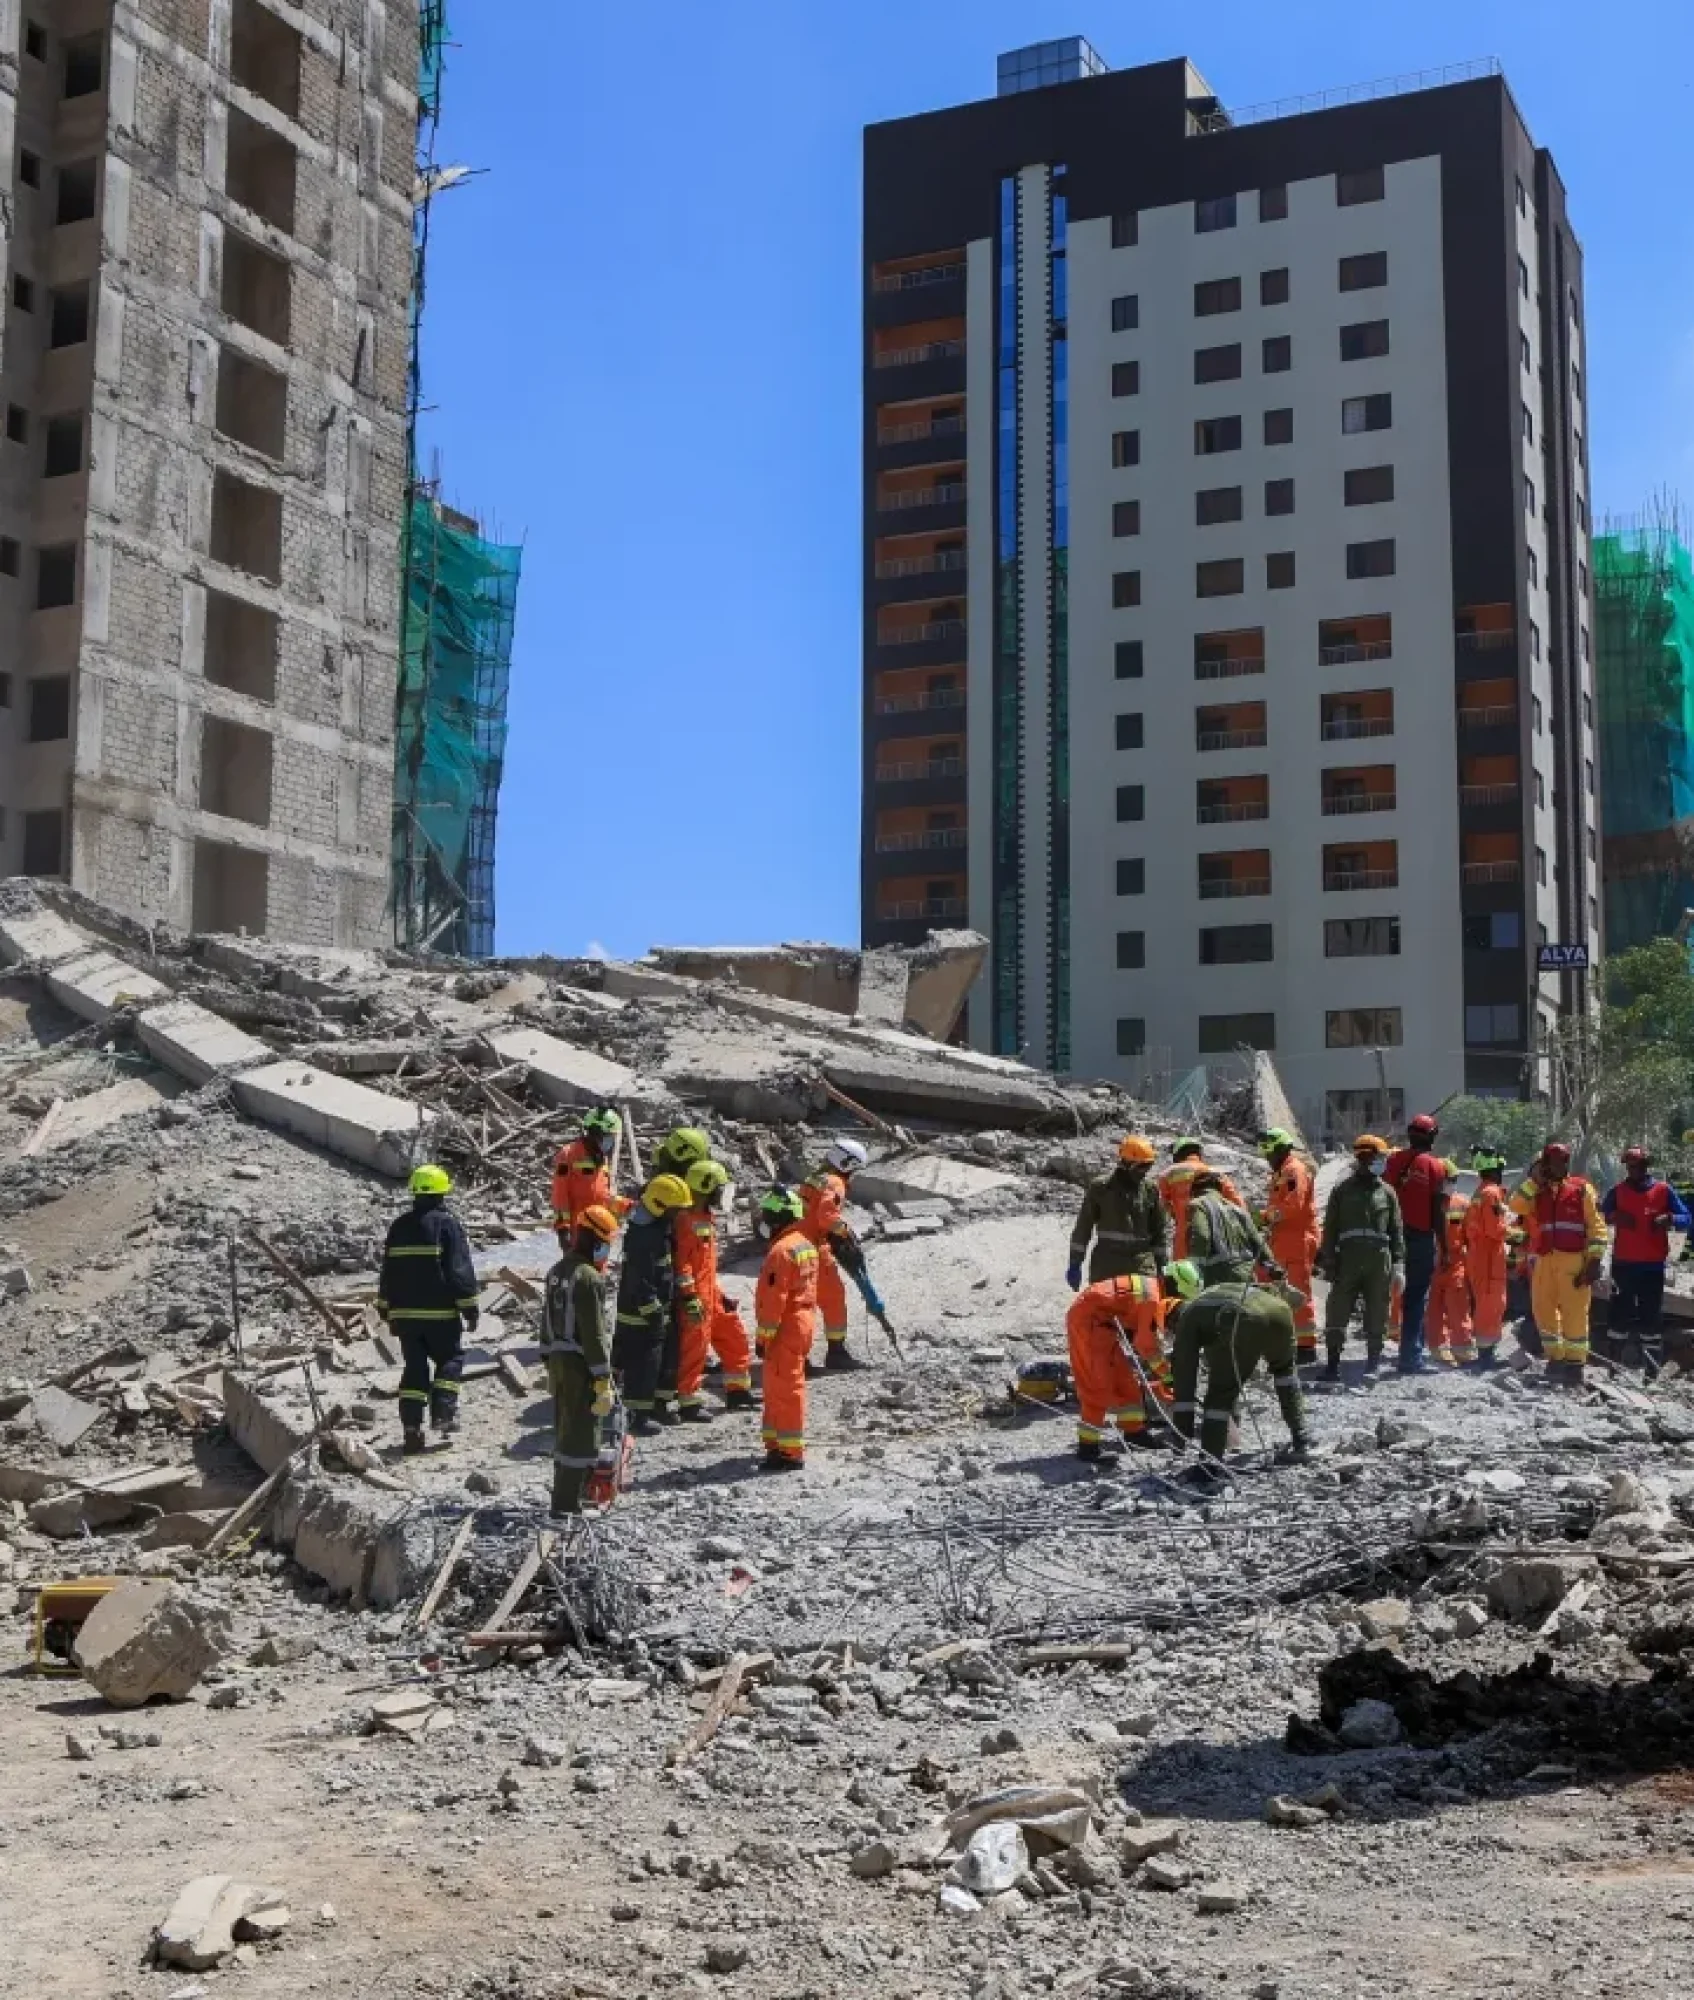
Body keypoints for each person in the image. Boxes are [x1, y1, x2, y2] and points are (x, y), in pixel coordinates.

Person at [1165, 1259, 1310, 1489]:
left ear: (1173, 1320)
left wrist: (1180, 1436)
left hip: (1243, 1317)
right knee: (1285, 1374)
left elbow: (1185, 1378)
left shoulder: (1188, 1319)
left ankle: (1210, 1465)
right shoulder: (1211, 1297)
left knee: (1218, 1396)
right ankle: (1302, 1439)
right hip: (1280, 1312)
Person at [377, 1164, 480, 1455]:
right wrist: (470, 1307)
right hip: (440, 1315)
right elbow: (458, 1270)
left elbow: (388, 1273)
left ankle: (411, 1427)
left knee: (414, 1369)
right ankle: (443, 1415)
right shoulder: (447, 1225)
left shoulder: (398, 1227)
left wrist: (386, 1308)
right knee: (450, 1359)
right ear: (441, 1194)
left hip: (405, 1317)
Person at [539, 1203, 619, 1516]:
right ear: (594, 1240)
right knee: (582, 1434)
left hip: (559, 1360)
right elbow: (594, 1333)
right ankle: (566, 1507)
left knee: (565, 1429)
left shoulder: (556, 1272)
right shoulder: (588, 1278)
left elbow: (544, 1322)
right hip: (580, 1365)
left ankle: (571, 1497)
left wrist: (548, 1359)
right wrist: (602, 1376)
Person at [1510, 1141, 1608, 1387]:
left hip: (1573, 1260)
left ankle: (1575, 1366)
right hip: (1545, 1259)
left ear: (1566, 1162)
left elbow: (1597, 1227)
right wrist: (1535, 1181)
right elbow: (1516, 1205)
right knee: (1543, 1309)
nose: (1557, 1165)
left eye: (1561, 1160)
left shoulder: (1581, 1189)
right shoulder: (1538, 1191)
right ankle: (1556, 1359)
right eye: (1551, 1161)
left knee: (1575, 1313)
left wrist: (1594, 1261)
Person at [1316, 1135, 1406, 1381]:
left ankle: (1373, 1363)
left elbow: (1396, 1230)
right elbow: (1330, 1229)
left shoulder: (1387, 1192)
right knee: (1338, 1309)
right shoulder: (1342, 1191)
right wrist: (1329, 1262)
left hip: (1379, 1260)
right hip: (1347, 1260)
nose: (1382, 1163)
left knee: (1378, 1308)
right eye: (1379, 1158)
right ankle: (1333, 1364)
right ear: (1365, 1158)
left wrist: (1399, 1265)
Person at [613, 1173, 692, 1435]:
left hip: (659, 1309)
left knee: (663, 1358)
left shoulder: (658, 1228)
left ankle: (657, 1405)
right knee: (643, 1364)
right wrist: (652, 1309)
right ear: (660, 1205)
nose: (678, 1214)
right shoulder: (642, 1236)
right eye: (675, 1209)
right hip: (640, 1314)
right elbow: (639, 1280)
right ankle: (637, 1415)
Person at [675, 1158, 755, 1415]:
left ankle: (738, 1392)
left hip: (710, 1290)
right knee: (695, 1348)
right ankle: (688, 1401)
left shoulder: (704, 1217)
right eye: (718, 1188)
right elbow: (682, 1264)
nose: (722, 1194)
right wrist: (689, 1297)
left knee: (734, 1335)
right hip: (696, 1295)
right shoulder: (685, 1220)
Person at [1601, 1145, 1691, 1370]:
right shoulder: (1618, 1191)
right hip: (1623, 1265)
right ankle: (1614, 1366)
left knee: (1650, 1317)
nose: (1632, 1171)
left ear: (1645, 1166)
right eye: (1629, 1167)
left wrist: (1670, 1219)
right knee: (1619, 1315)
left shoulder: (1663, 1190)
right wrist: (1613, 1216)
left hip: (1652, 1267)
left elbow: (1687, 1217)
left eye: (1637, 1166)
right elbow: (1600, 1215)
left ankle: (1650, 1370)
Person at [1064, 1270, 1167, 1461]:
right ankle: (1088, 1448)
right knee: (1097, 1385)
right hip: (1089, 1323)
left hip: (1102, 1325)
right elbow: (1144, 1344)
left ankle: (1134, 1433)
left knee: (1125, 1382)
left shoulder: (1152, 1289)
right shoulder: (1151, 1298)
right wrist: (1166, 1374)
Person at [799, 1138, 883, 1371]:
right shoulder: (835, 1182)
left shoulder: (815, 1177)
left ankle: (798, 1356)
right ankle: (836, 1353)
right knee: (832, 1298)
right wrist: (844, 1232)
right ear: (847, 1164)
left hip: (798, 1244)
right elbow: (827, 1217)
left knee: (802, 1303)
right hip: (813, 1249)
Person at [755, 1186, 820, 1472]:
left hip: (784, 1327)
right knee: (777, 1385)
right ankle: (776, 1445)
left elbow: (773, 1300)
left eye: (769, 1215)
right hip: (802, 1322)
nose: (765, 1220)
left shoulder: (781, 1251)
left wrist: (763, 1336)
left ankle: (790, 1452)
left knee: (785, 1388)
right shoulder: (804, 1244)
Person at [1385, 1113, 1448, 1375]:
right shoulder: (1435, 1167)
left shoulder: (1394, 1160)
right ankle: (1411, 1358)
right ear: (1432, 1137)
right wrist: (1444, 1245)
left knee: (1386, 1294)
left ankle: (1375, 1356)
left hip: (1390, 1236)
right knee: (1416, 1296)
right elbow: (1438, 1211)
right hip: (1420, 1238)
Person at [1069, 1136, 1168, 1289]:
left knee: (1143, 1312)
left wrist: (1163, 1266)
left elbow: (1159, 1232)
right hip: (1106, 1266)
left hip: (1141, 1267)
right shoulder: (1100, 1188)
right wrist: (1075, 1263)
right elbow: (1083, 1227)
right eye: (1142, 1166)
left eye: (1149, 1166)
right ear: (1127, 1164)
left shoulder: (1150, 1190)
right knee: (1101, 1311)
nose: (1145, 1172)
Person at [1259, 1129, 1320, 1363]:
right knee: (1282, 1291)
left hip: (1297, 1239)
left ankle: (1306, 1347)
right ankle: (1288, 1340)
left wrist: (1265, 1216)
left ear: (1282, 1149)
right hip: (1283, 1240)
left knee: (1298, 1291)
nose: (1267, 1157)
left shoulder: (1294, 1170)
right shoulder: (1282, 1172)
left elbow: (1293, 1205)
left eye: (1270, 1152)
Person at [1187, 1166, 1277, 1289]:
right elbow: (1258, 1242)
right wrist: (1272, 1266)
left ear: (1194, 1188)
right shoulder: (1238, 1209)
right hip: (1245, 1277)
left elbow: (1202, 1236)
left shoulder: (1198, 1204)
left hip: (1218, 1279)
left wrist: (1194, 1269)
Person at [1463, 1151, 1514, 1369]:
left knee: (1485, 1304)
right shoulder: (1491, 1193)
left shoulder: (1479, 1192)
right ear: (1495, 1169)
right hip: (1489, 1261)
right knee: (1491, 1305)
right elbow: (1495, 1229)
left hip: (1479, 1258)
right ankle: (1486, 1356)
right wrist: (1517, 1233)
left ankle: (1485, 1351)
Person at [549, 1107, 629, 1241]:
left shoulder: (601, 1158)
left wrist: (628, 1206)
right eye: (609, 1136)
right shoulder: (567, 1156)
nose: (612, 1141)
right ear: (596, 1133)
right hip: (578, 1234)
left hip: (600, 1231)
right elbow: (559, 1195)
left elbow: (603, 1196)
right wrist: (563, 1229)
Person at [1158, 1139, 1246, 1261]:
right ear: (1198, 1154)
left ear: (1178, 1153)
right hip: (1215, 1235)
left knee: (1183, 1274)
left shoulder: (1167, 1175)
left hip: (1184, 1236)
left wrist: (1175, 1214)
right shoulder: (1215, 1173)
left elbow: (1161, 1204)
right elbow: (1237, 1204)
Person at [1426, 1167, 1476, 1366]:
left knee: (1458, 1306)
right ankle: (1438, 1349)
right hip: (1432, 1262)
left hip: (1456, 1262)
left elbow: (1470, 1236)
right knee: (1434, 1309)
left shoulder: (1462, 1204)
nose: (1451, 1183)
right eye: (1448, 1179)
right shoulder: (1427, 1204)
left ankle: (1461, 1349)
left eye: (1453, 1179)